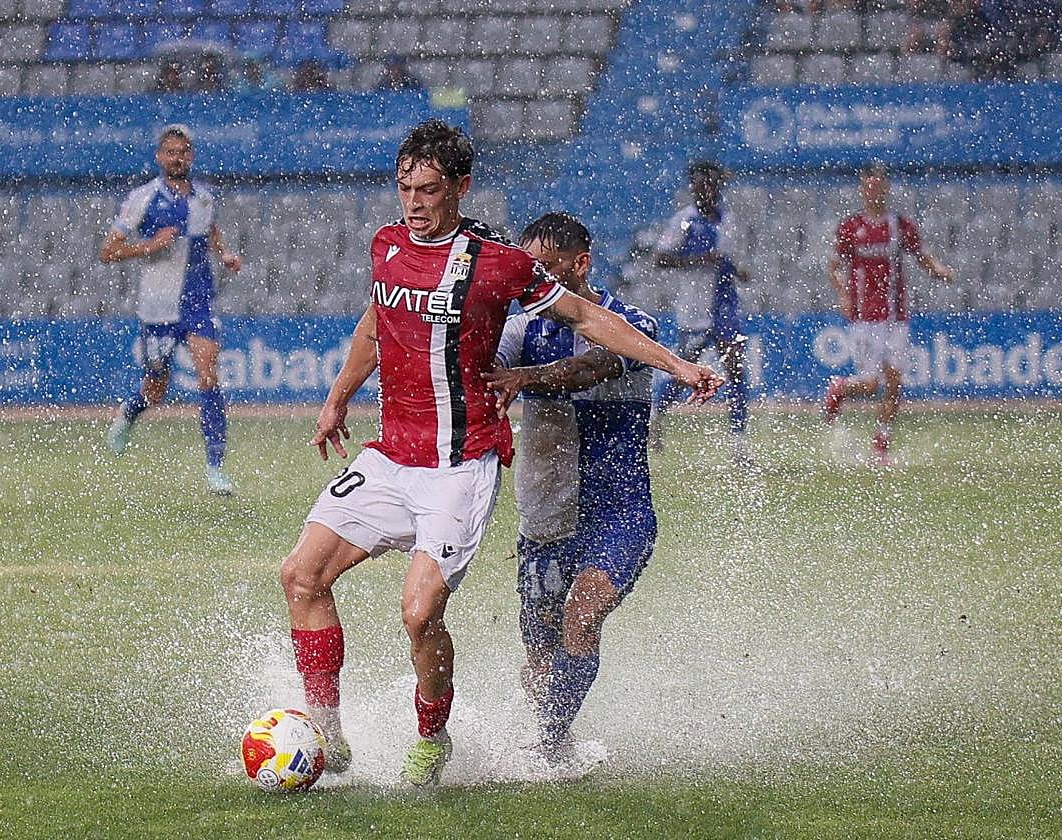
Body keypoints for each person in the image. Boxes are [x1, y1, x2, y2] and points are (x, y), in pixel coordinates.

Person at [278, 120, 723, 789]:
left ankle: (434, 737)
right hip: (390, 457)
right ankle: (328, 735)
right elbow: (375, 323)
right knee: (300, 576)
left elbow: (590, 321)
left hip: (459, 467)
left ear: (461, 187)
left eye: (428, 189)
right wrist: (338, 397)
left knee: (419, 612)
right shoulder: (387, 245)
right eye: (405, 188)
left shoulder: (499, 265)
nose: (413, 202)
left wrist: (676, 365)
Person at [485, 212, 661, 766]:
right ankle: (544, 735)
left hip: (620, 514)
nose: (529, 283)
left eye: (542, 269)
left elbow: (595, 366)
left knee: (581, 617)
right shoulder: (519, 330)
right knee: (538, 657)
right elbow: (484, 370)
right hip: (545, 522)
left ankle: (547, 748)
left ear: (579, 264)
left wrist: (526, 379)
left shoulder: (633, 324)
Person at [100, 124, 243, 494]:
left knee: (208, 376)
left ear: (190, 156)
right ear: (159, 157)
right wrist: (148, 246)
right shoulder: (143, 198)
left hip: (198, 302)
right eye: (170, 152)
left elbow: (210, 232)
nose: (177, 158)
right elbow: (108, 251)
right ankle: (129, 415)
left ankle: (215, 467)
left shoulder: (205, 198)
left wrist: (224, 254)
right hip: (158, 308)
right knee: (155, 389)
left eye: (183, 152)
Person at [822, 161, 955, 465]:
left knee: (895, 381)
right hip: (863, 317)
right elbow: (833, 267)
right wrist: (842, 294)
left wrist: (938, 270)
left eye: (880, 183)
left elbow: (922, 257)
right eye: (869, 184)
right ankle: (840, 387)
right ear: (862, 188)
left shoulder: (900, 226)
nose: (874, 189)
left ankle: (881, 446)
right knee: (870, 384)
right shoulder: (850, 228)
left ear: (886, 187)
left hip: (896, 316)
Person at [650, 161, 753, 466]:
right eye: (699, 183)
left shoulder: (729, 221)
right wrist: (698, 259)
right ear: (693, 187)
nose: (705, 189)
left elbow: (729, 259)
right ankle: (658, 412)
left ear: (719, 185)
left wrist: (737, 270)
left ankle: (738, 445)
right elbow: (661, 259)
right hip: (694, 309)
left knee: (735, 369)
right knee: (686, 371)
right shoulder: (684, 221)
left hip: (726, 307)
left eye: (710, 183)